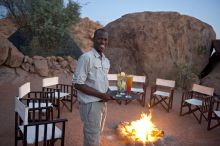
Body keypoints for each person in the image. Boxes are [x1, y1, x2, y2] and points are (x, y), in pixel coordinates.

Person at [72, 28, 112, 146]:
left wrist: (108, 92)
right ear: (94, 39)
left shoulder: (106, 61)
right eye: (100, 38)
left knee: (97, 134)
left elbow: (101, 81)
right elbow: (78, 84)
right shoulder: (86, 58)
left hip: (102, 103)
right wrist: (101, 94)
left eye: (105, 39)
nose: (103, 42)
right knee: (92, 139)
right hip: (91, 105)